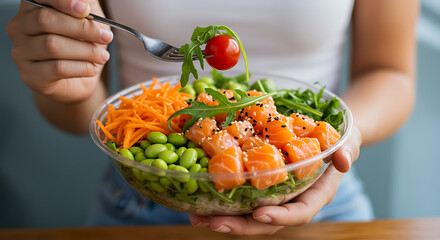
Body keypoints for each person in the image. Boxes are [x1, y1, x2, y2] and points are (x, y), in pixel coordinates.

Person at [6, 0, 418, 235]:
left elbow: (390, 73)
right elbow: (82, 115)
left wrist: (344, 139)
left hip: (321, 189)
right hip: (141, 200)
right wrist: (66, 82)